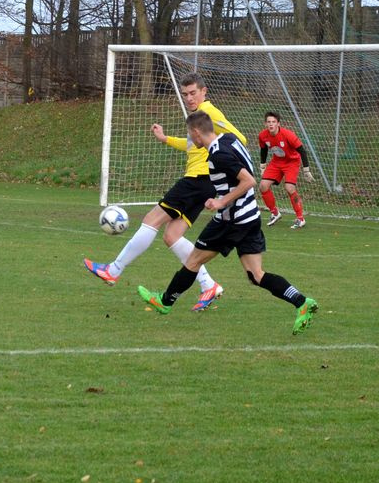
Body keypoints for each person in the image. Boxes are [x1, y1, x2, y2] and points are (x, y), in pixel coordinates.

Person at [136, 111, 318, 334]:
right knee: (256, 275)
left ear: (196, 132)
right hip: (250, 216)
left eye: (190, 134)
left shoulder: (218, 155)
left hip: (231, 220)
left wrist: (221, 201)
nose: (190, 139)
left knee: (193, 261)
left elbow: (249, 181)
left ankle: (165, 301)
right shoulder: (229, 139)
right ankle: (302, 302)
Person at [84, 73, 247, 311]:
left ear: (204, 91)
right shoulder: (199, 117)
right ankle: (209, 285)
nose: (189, 98)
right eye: (185, 94)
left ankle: (113, 270)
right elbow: (192, 144)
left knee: (152, 219)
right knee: (172, 236)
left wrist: (219, 157)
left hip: (198, 179)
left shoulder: (210, 112)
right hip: (204, 183)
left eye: (193, 93)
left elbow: (239, 138)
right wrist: (165, 139)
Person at [257, 111, 314, 229]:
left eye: (273, 122)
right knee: (263, 186)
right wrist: (262, 166)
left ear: (278, 123)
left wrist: (306, 170)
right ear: (265, 124)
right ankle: (275, 213)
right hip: (276, 162)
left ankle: (300, 218)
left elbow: (302, 151)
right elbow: (263, 150)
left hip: (292, 162)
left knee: (289, 188)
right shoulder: (262, 135)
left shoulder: (288, 135)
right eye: (269, 122)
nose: (271, 124)